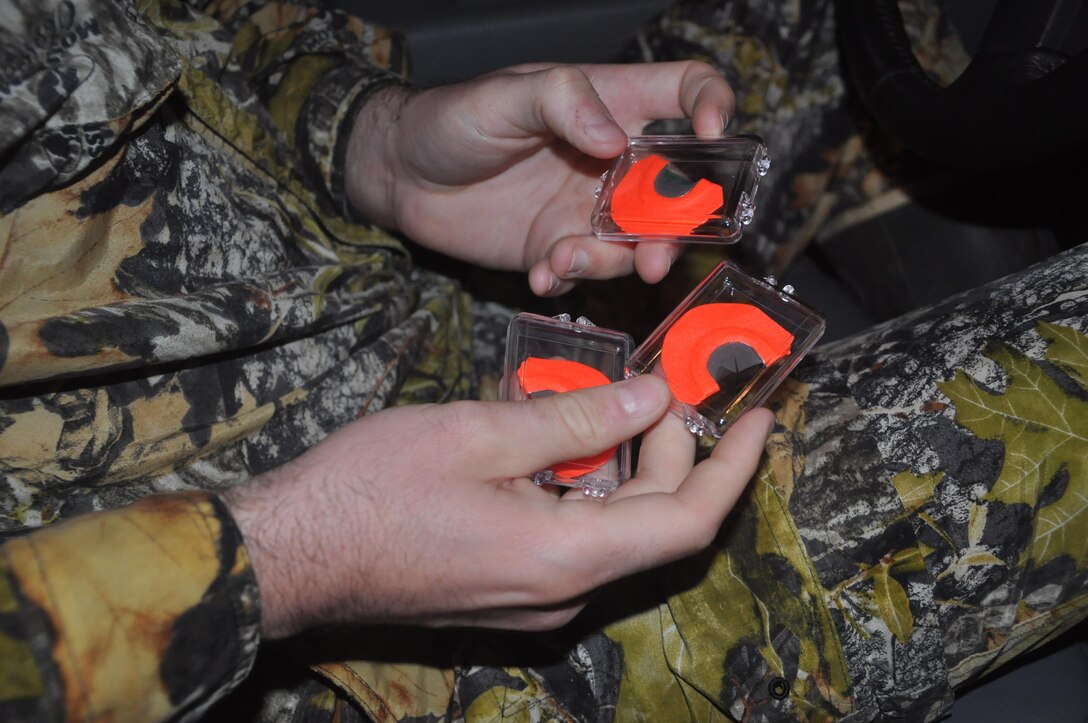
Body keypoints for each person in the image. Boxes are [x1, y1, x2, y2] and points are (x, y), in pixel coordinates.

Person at [1, 3, 1085, 723]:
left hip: (412, 280)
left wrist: (364, 143)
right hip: (343, 646)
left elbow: (181, 29)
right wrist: (294, 559)